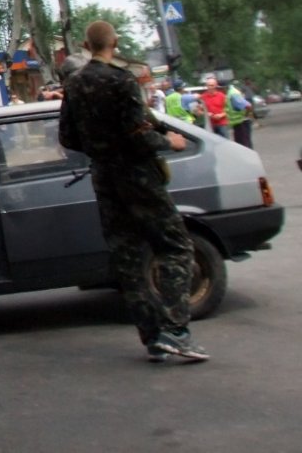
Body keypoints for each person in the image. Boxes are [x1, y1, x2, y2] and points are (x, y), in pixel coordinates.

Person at [59, 20, 208, 363]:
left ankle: (153, 337)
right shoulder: (121, 80)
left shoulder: (74, 85)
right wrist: (170, 142)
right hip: (138, 176)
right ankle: (176, 330)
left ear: (86, 45)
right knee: (176, 246)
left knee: (127, 258)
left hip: (104, 178)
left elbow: (67, 137)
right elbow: (138, 135)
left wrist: (100, 149)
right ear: (114, 42)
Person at [225, 82, 253, 148]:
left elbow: (248, 106)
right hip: (238, 122)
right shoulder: (230, 93)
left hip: (241, 122)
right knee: (242, 144)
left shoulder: (233, 94)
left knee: (244, 145)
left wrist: (246, 115)